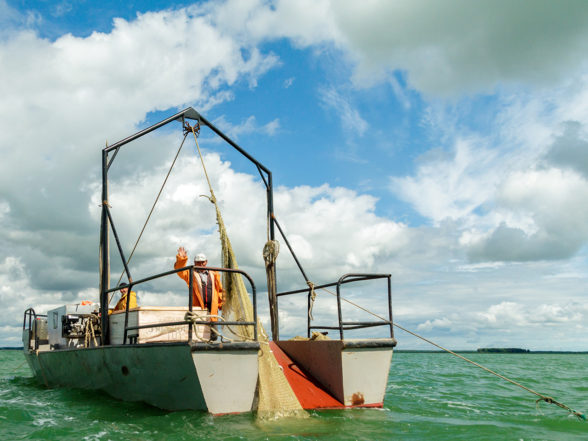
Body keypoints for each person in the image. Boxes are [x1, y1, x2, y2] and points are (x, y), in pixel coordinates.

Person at [174, 246, 224, 318]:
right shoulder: (190, 273)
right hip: (197, 310)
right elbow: (180, 271)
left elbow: (219, 290)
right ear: (194, 262)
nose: (200, 264)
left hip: (212, 310)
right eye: (198, 262)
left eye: (202, 262)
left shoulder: (214, 274)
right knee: (197, 327)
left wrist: (221, 305)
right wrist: (181, 259)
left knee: (213, 327)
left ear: (206, 262)